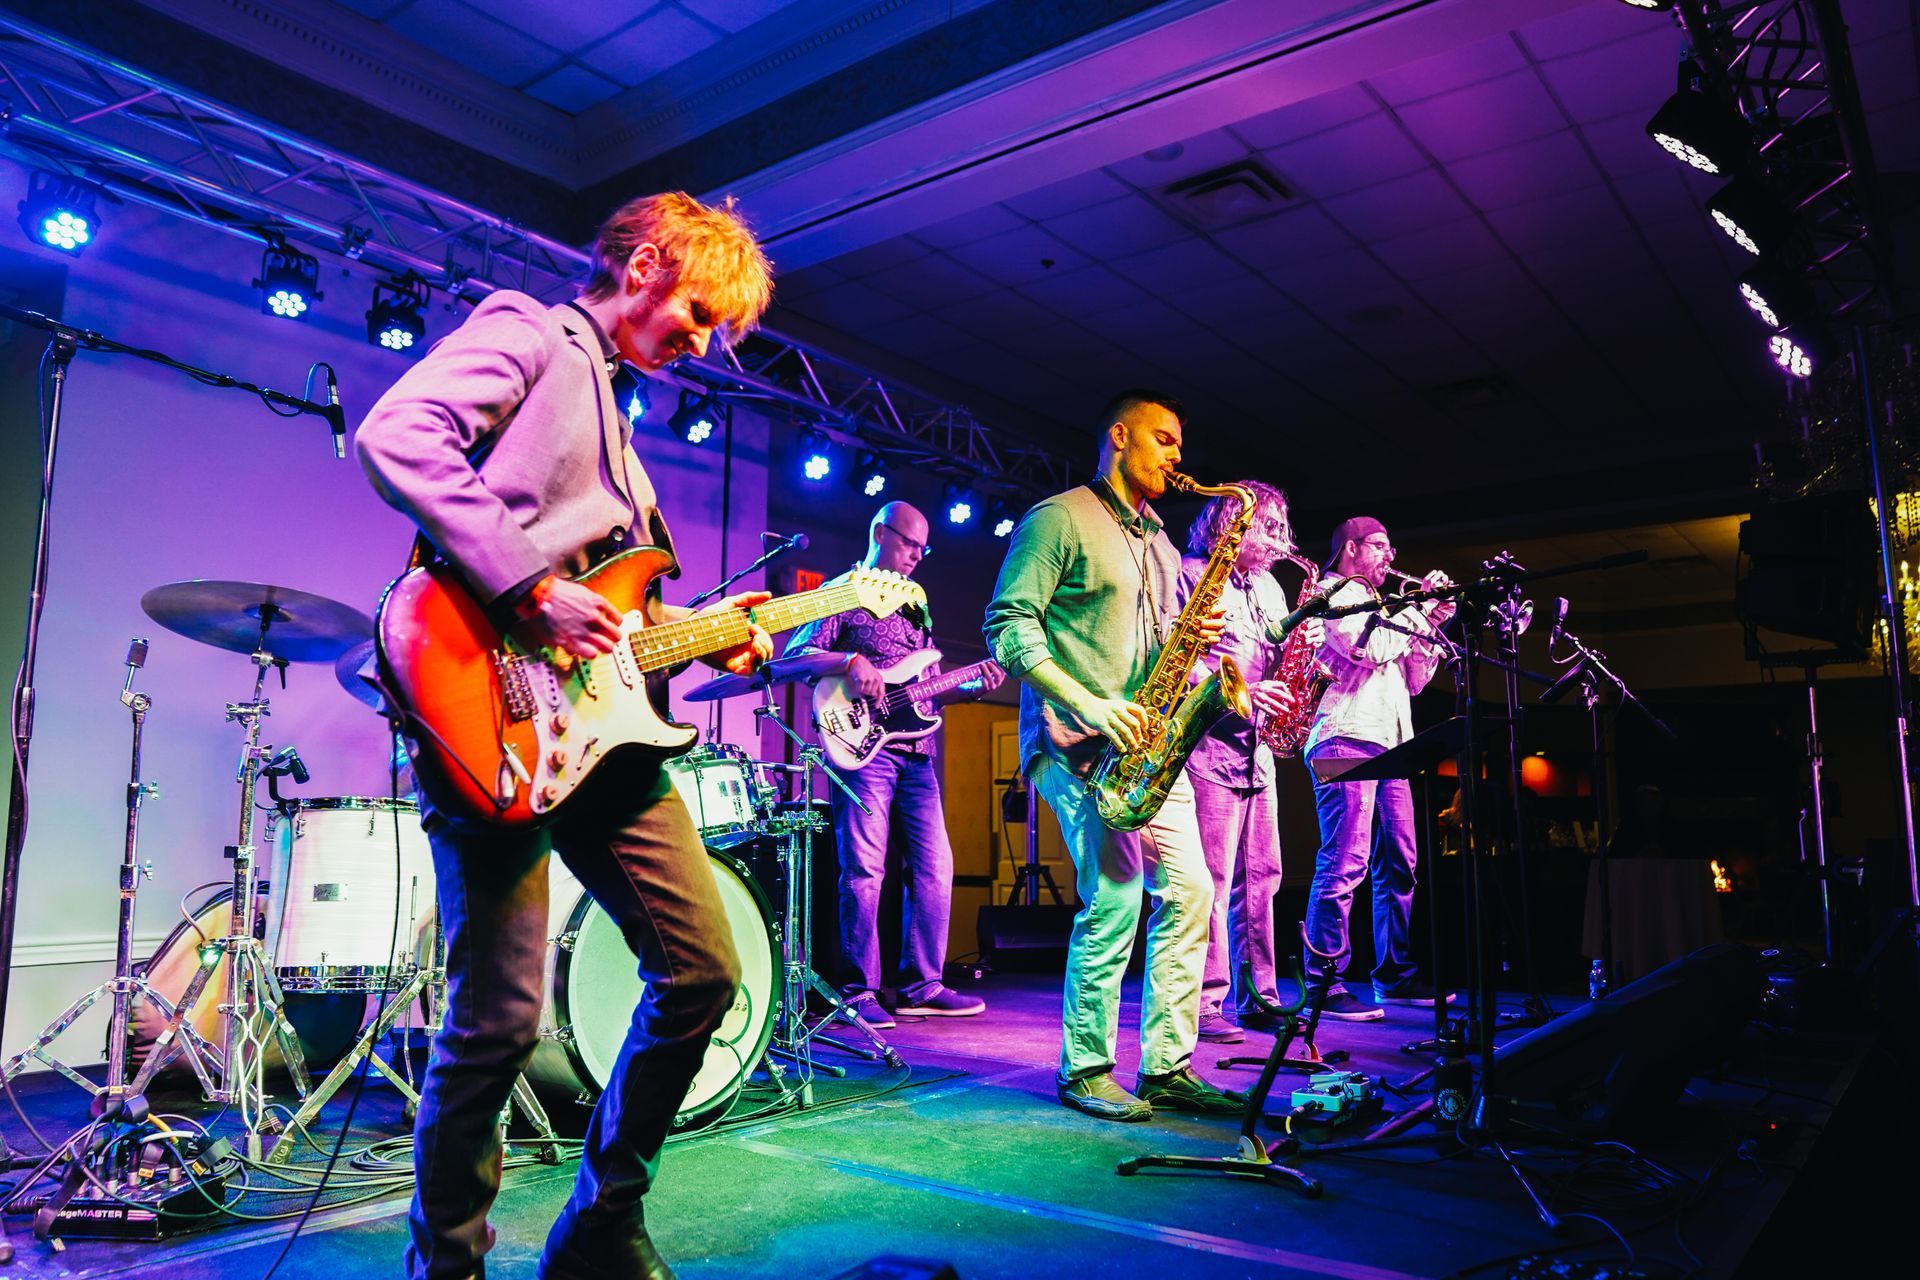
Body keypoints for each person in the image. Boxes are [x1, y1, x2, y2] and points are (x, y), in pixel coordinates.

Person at [357, 191, 774, 1280]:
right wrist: (528, 587)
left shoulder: (622, 431)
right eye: (695, 309)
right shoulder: (534, 332)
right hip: (485, 705)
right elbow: (398, 430)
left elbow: (620, 618)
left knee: (702, 972)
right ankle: (445, 1262)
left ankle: (598, 1224)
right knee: (495, 1019)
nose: (700, 339)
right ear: (640, 265)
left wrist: (713, 642)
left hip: (601, 736)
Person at [983, 389, 1240, 1122]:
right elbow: (1006, 628)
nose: (1177, 455)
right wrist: (1089, 702)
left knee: (1192, 894)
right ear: (1120, 437)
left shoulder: (1160, 541)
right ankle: (1087, 1067)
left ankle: (1167, 1065)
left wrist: (1195, 635)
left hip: (1150, 746)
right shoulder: (1059, 518)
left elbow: (1159, 653)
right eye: (1164, 439)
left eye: (1180, 443)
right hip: (1078, 743)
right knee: (1119, 894)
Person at [784, 500, 1002, 1025]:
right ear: (881, 532)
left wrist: (968, 690)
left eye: (923, 548)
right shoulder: (844, 591)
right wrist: (849, 660)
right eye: (909, 544)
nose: (916, 557)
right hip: (862, 751)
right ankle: (858, 991)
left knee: (935, 867)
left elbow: (918, 694)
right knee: (864, 870)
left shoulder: (913, 606)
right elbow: (794, 655)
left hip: (917, 756)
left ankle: (922, 985)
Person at [1173, 481, 1315, 1042]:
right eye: (1272, 527)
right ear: (1234, 522)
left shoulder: (1272, 589)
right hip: (1207, 743)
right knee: (1209, 878)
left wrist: (1306, 641)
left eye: (1284, 529)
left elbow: (1278, 656)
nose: (1283, 540)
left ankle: (1259, 995)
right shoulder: (1191, 574)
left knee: (1263, 875)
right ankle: (1204, 1003)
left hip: (1258, 747)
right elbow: (1174, 659)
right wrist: (1239, 693)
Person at [1301, 517, 1455, 1021]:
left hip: (1392, 743)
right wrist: (1419, 610)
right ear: (1351, 547)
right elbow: (1370, 650)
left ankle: (1394, 975)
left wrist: (1432, 624)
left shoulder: (1390, 606)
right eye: (1381, 547)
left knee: (1401, 864)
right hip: (1344, 737)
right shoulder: (1335, 593)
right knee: (1347, 861)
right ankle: (1324, 978)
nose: (1391, 557)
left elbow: (1414, 680)